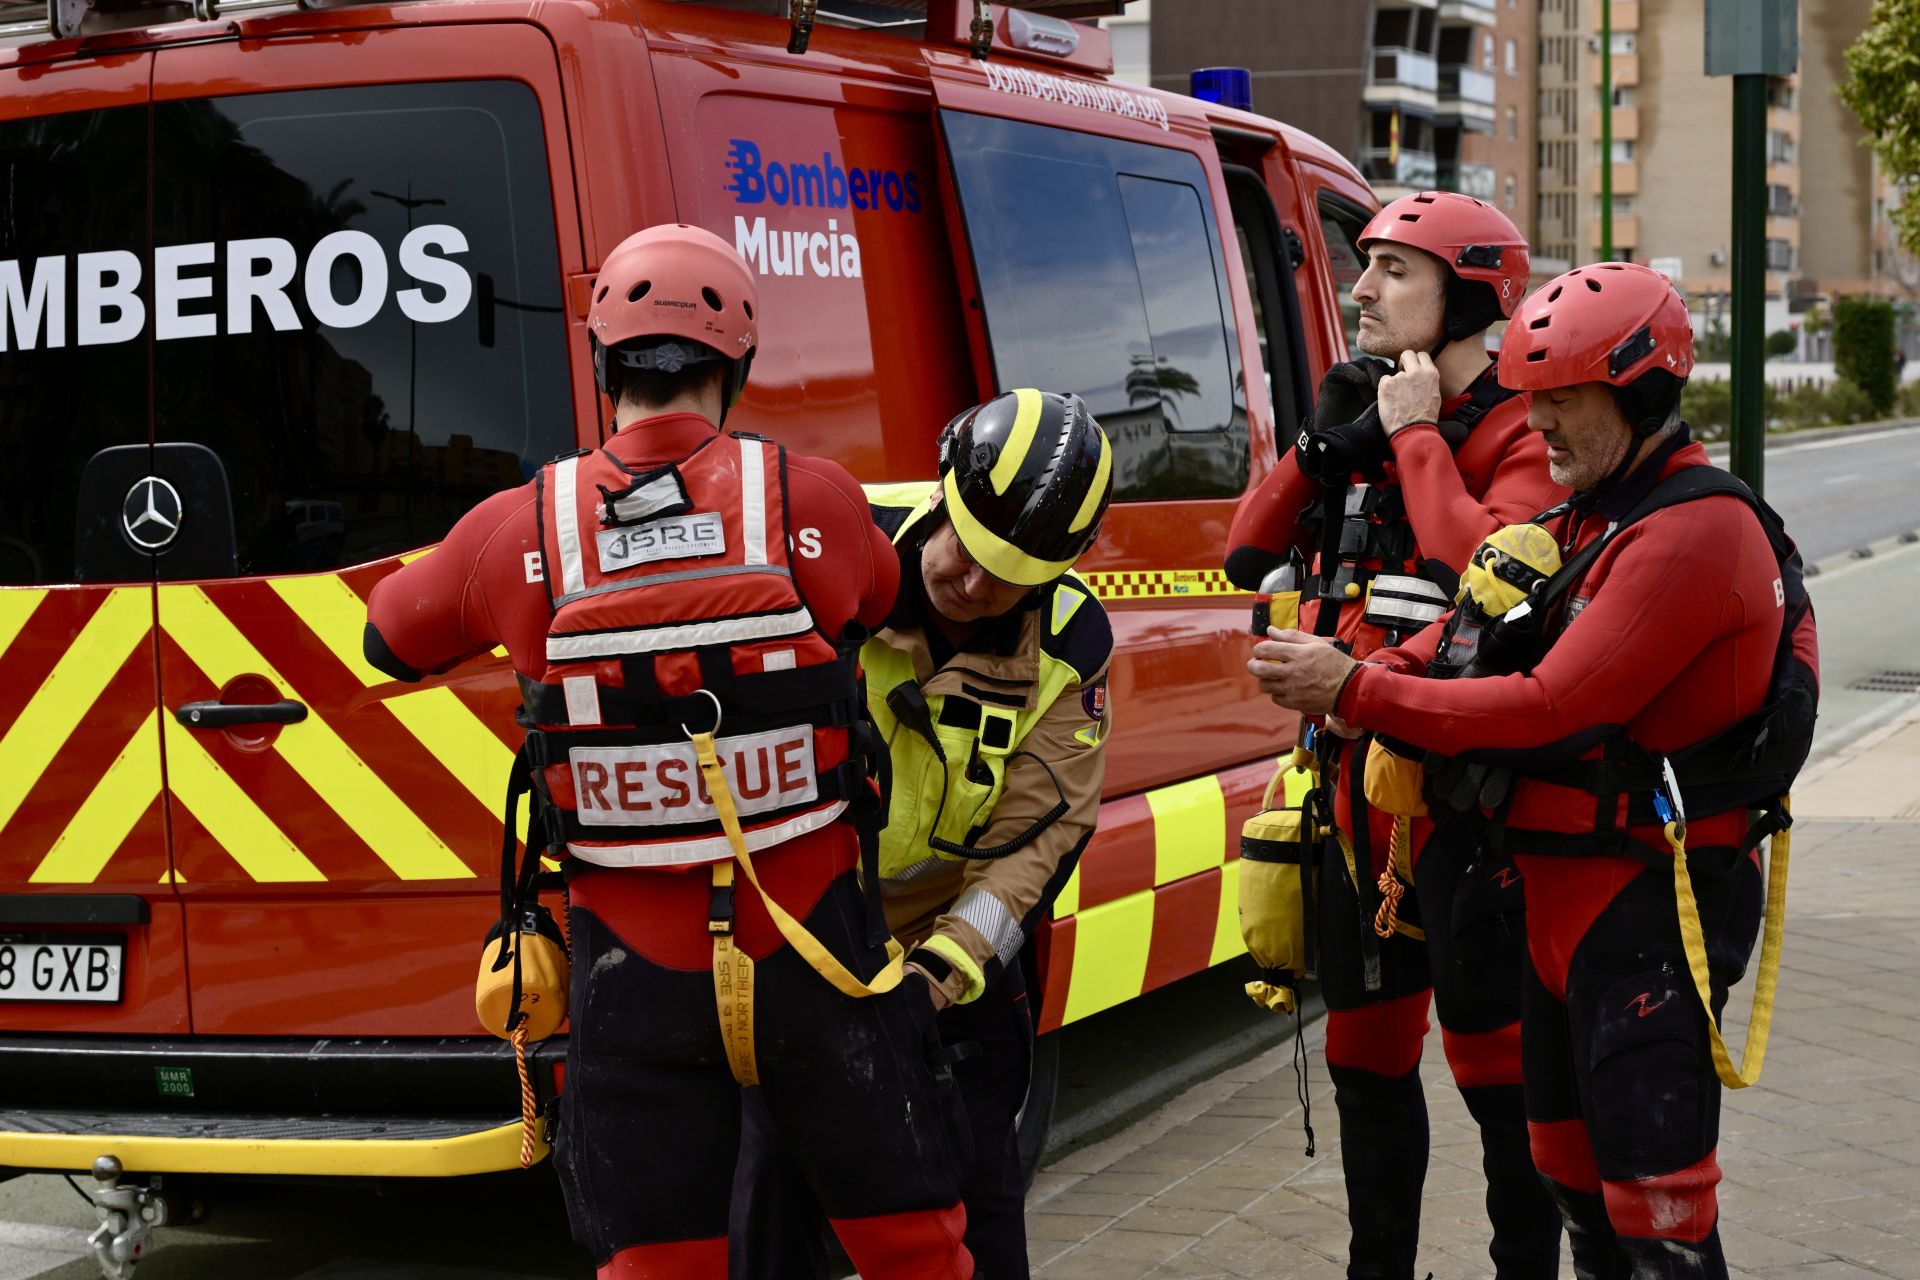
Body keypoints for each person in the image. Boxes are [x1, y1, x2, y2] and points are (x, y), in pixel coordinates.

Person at [363, 224, 974, 1280]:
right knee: (918, 1252)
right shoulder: (813, 499)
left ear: (603, 364)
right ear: (735, 368)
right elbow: (879, 596)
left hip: (632, 982)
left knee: (657, 1269)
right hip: (819, 963)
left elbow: (389, 638)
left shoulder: (519, 526)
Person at [1250, 261, 1814, 1279]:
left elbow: (1550, 706)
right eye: (1529, 393)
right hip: (1562, 913)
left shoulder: (1694, 531)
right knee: (1572, 1182)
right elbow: (1475, 630)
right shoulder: (1586, 515)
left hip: (1648, 913)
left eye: (1563, 396)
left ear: (1640, 393)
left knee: (1658, 1211)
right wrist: (1372, 670)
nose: (1537, 418)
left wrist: (1357, 691)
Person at [1225, 190, 1565, 1279]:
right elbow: (1246, 549)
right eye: (1362, 263)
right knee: (1363, 1061)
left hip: (1469, 807)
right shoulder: (1367, 415)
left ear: (1468, 295)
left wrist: (1416, 435)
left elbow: (1485, 575)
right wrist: (1328, 446)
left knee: (1497, 1071)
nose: (1360, 288)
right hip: (1348, 799)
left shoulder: (1525, 432)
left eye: (1392, 269)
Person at [732, 388, 1116, 1280]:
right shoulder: (827, 556)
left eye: (1009, 575)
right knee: (770, 1210)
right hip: (799, 945)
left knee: (978, 1213)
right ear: (944, 493)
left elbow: (1040, 836)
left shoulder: (1070, 642)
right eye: (968, 550)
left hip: (948, 970)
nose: (975, 586)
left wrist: (939, 976)